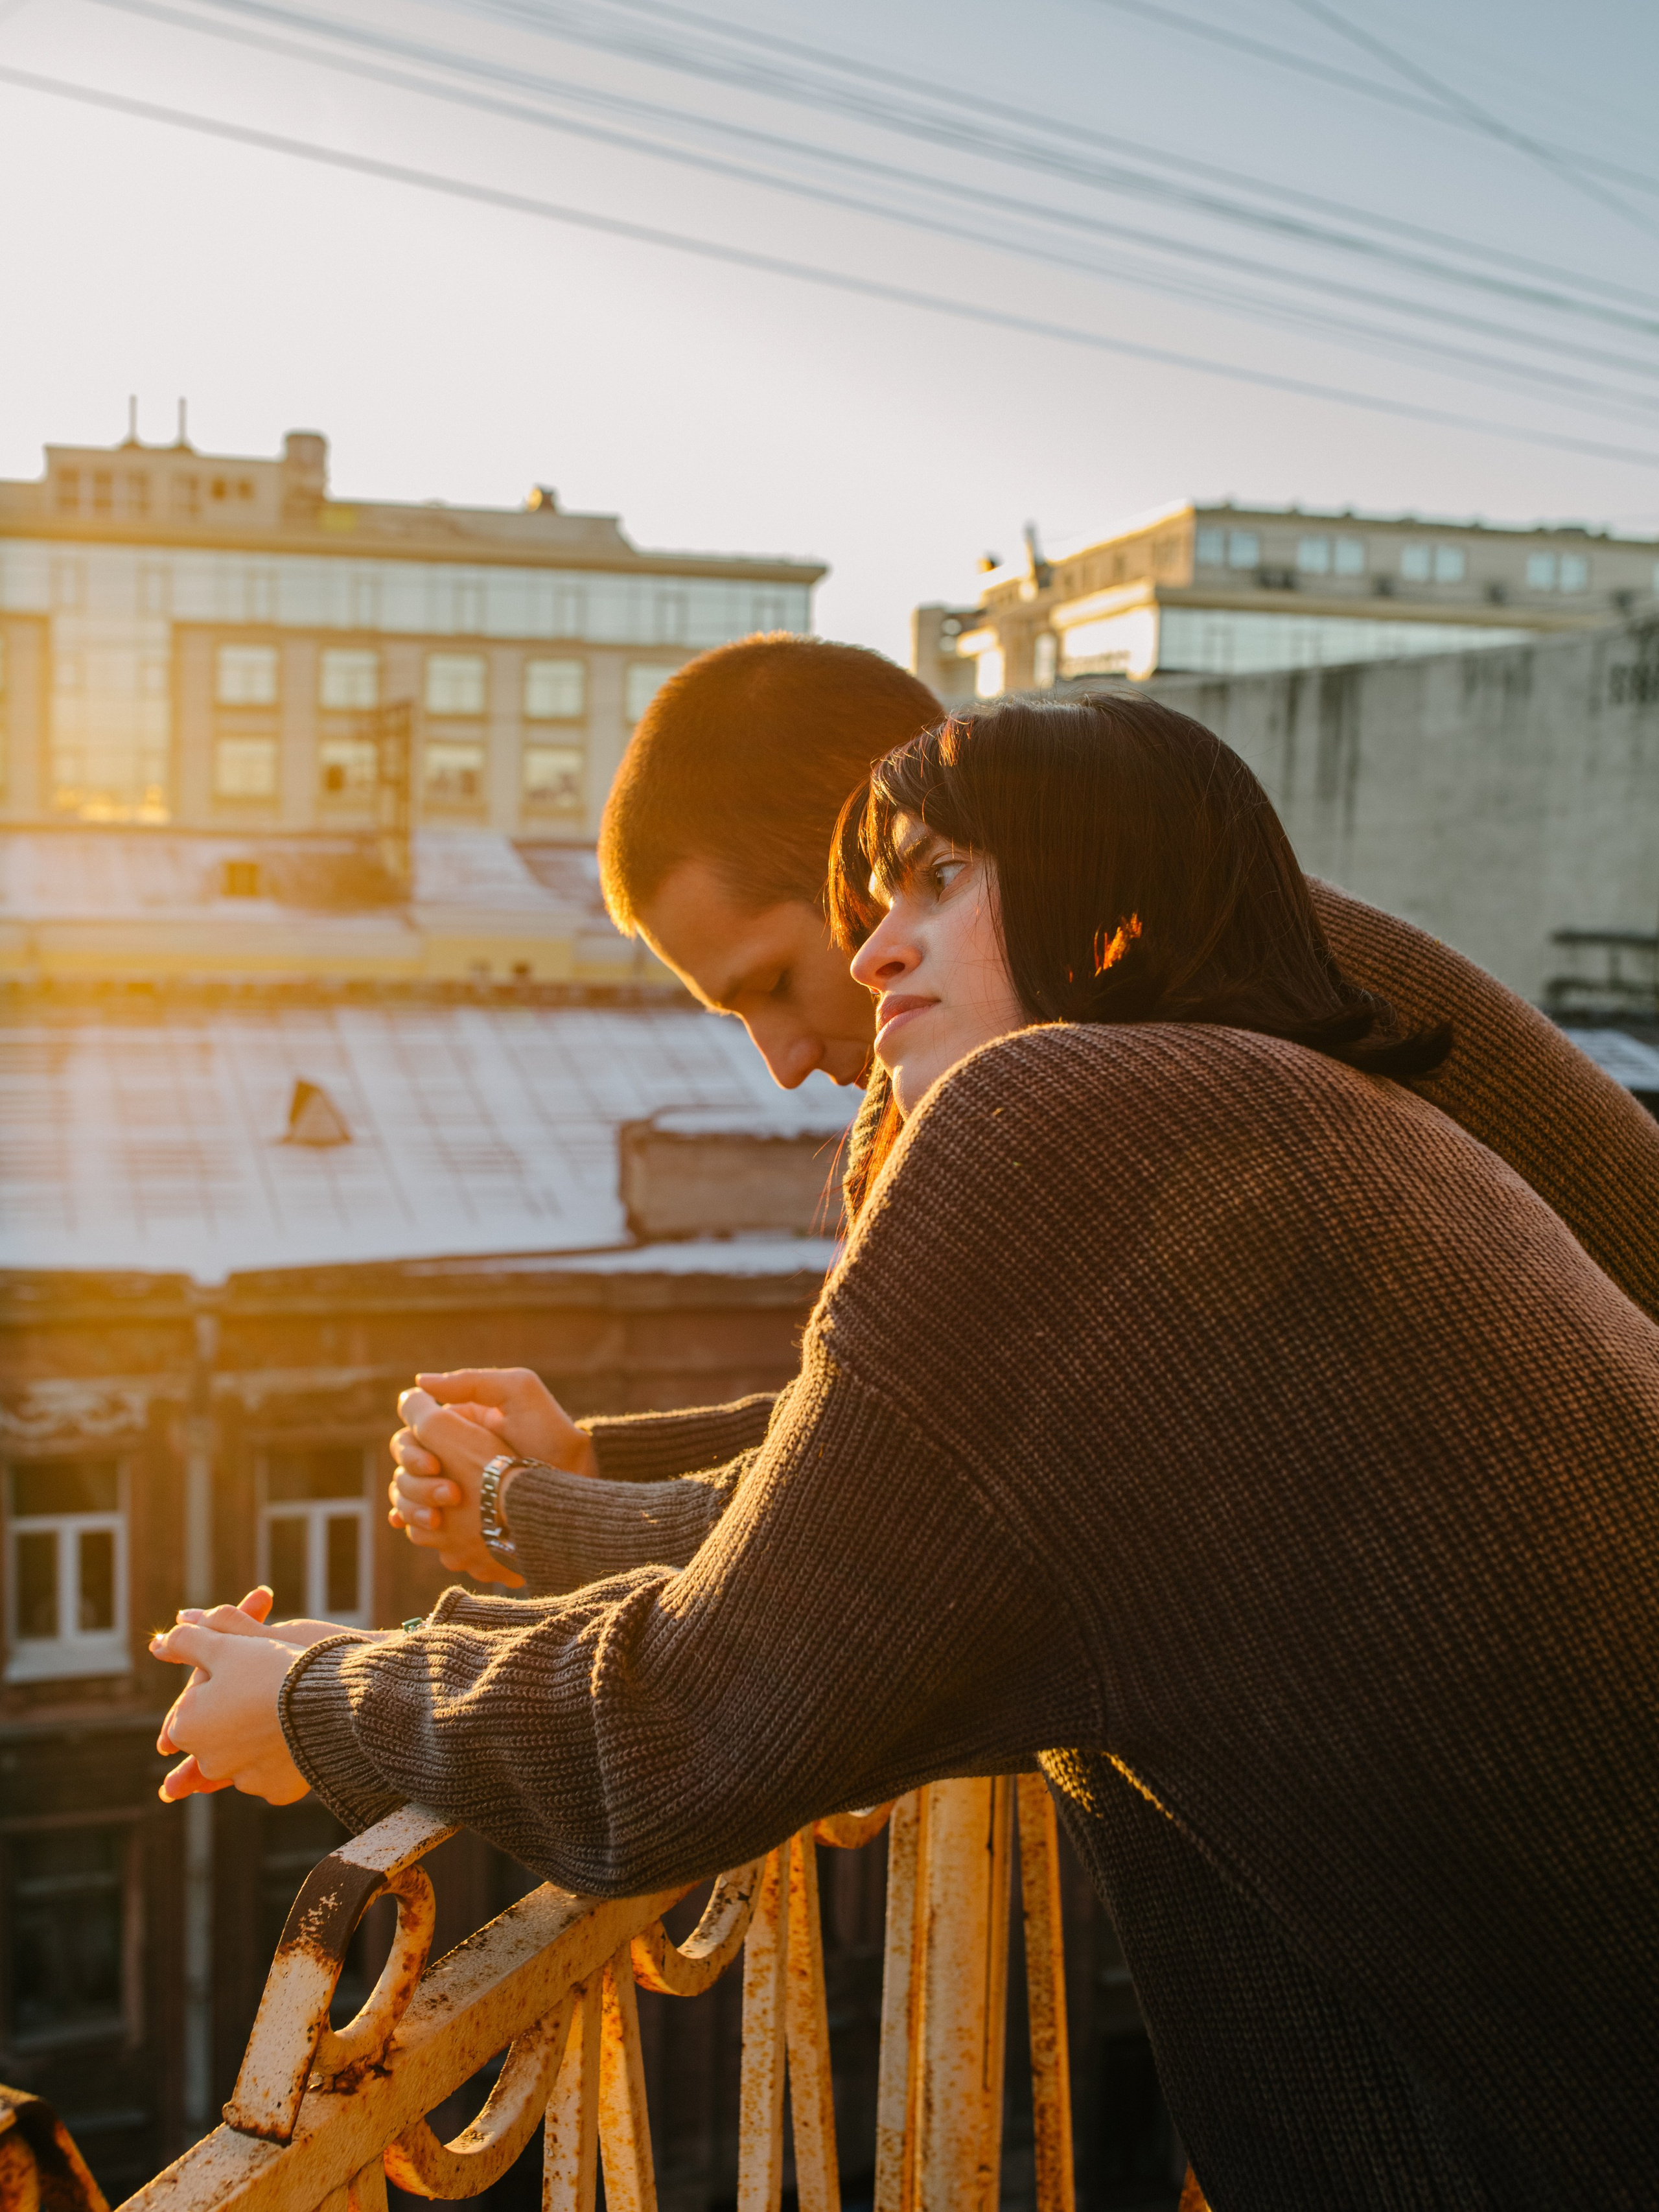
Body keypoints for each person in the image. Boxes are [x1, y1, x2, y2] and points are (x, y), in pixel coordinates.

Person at [155, 692, 1659, 2210]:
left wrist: (329, 1698)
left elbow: (696, 1723)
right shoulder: (1281, 1081)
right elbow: (951, 1523)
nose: (832, 1008)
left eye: (922, 887)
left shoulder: (1061, 1105)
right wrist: (549, 1506)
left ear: (1104, 893)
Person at [386, 633, 1659, 1584]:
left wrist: (523, 1511)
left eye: (771, 983)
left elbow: (911, 1513)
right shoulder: (1126, 938)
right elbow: (918, 1413)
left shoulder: (1137, 1023)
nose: (778, 1062)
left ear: (871, 859)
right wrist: (599, 1461)